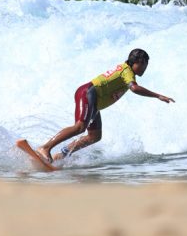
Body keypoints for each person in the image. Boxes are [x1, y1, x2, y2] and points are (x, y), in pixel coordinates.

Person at [36, 48, 174, 163]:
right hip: (88, 93)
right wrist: (158, 96)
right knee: (80, 127)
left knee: (94, 136)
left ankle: (61, 155)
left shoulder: (127, 70)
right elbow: (134, 89)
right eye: (144, 65)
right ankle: (45, 148)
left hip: (94, 101)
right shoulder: (127, 72)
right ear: (138, 62)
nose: (145, 68)